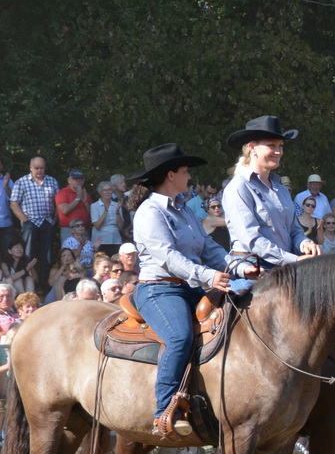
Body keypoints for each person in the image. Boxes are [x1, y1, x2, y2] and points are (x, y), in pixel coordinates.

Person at [126, 143, 237, 437]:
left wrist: (238, 267)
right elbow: (168, 257)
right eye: (186, 171)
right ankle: (165, 411)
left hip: (189, 286)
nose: (189, 176)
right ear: (170, 174)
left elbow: (208, 247)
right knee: (180, 336)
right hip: (159, 290)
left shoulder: (184, 208)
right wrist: (208, 276)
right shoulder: (149, 212)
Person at [222, 115, 321, 272]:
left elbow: (294, 230)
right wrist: (293, 260)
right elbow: (252, 240)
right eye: (272, 145)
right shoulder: (238, 187)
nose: (279, 152)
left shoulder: (280, 189)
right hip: (252, 269)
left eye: (281, 146)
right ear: (252, 148)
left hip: (285, 266)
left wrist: (304, 243)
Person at [9, 156, 59, 282]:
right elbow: (14, 203)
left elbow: (58, 202)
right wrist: (25, 221)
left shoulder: (52, 181)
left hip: (47, 221)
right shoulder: (21, 182)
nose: (39, 171)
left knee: (47, 255)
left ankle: (44, 284)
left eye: (42, 168)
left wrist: (55, 220)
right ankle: (28, 283)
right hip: (30, 222)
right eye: (36, 168)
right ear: (30, 168)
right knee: (27, 254)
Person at [54, 169, 92, 244]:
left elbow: (91, 213)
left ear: (83, 181)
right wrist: (78, 198)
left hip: (84, 229)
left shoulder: (86, 195)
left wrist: (85, 202)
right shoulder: (62, 193)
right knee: (69, 253)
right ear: (69, 180)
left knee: (86, 253)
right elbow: (65, 210)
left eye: (80, 179)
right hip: (69, 230)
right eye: (75, 179)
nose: (78, 181)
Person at [91, 181, 125, 253]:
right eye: (105, 190)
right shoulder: (94, 206)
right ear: (100, 192)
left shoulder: (117, 205)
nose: (107, 192)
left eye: (109, 190)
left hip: (115, 239)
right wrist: (106, 211)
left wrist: (117, 212)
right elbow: (97, 225)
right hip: (100, 241)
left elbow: (121, 226)